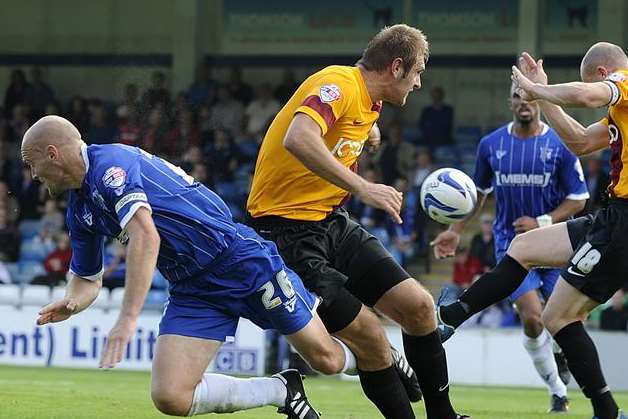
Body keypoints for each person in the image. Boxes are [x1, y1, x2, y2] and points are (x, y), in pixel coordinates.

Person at [25, 115, 360, 418]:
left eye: (32, 163)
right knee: (171, 396)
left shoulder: (111, 166)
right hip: (193, 287)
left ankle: (382, 360)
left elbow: (146, 236)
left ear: (52, 153)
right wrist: (73, 302)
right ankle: (281, 390)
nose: (32, 174)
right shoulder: (79, 209)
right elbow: (86, 278)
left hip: (240, 261)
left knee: (326, 360)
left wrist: (127, 319)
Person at [247, 24, 467, 419]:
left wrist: (370, 133)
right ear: (396, 67)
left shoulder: (369, 103)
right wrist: (366, 187)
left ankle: (443, 415)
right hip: (286, 233)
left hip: (332, 222)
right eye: (417, 73)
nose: (418, 83)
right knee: (369, 337)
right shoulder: (338, 82)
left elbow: (348, 127)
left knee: (419, 307)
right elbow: (298, 137)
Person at [435, 43, 628, 419]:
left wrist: (536, 89)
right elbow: (580, 141)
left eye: (598, 85)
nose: (604, 99)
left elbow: (588, 95)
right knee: (523, 248)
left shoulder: (624, 82)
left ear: (605, 74)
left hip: (624, 222)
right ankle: (452, 316)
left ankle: (605, 409)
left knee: (557, 318)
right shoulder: (621, 116)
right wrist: (547, 96)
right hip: (612, 216)